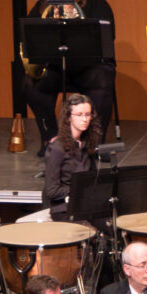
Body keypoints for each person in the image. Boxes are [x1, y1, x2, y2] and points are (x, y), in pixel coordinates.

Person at [19, 0, 118, 144]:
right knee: (30, 85)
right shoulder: (44, 5)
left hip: (89, 67)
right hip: (58, 68)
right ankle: (52, 139)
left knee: (103, 81)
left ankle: (93, 143)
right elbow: (29, 37)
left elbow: (108, 37)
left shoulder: (95, 2)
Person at [42, 93, 101, 221]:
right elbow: (51, 191)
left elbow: (92, 177)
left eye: (88, 114)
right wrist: (79, 189)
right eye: (79, 115)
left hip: (83, 203)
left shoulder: (87, 144)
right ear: (69, 117)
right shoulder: (57, 148)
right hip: (63, 208)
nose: (85, 119)